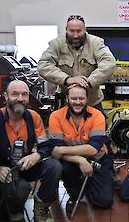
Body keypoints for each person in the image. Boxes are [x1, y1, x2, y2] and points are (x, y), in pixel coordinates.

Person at [0, 80, 62, 222]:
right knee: (22, 188)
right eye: (15, 94)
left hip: (27, 165)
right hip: (5, 170)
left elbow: (45, 146)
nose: (20, 99)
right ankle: (15, 212)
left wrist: (37, 155)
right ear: (5, 96)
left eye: (24, 94)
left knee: (54, 166)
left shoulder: (33, 117)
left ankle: (41, 208)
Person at [48, 83, 113, 212]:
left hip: (97, 160)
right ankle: (75, 194)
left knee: (104, 202)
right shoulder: (55, 116)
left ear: (87, 99)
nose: (78, 102)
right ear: (67, 98)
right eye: (74, 99)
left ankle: (94, 181)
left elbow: (93, 149)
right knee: (61, 167)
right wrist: (80, 160)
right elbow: (55, 152)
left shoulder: (97, 115)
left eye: (81, 99)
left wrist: (61, 150)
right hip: (71, 162)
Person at [37, 14, 116, 111]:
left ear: (85, 29)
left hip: (92, 102)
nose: (75, 35)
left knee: (98, 125)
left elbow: (109, 63)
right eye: (71, 31)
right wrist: (67, 80)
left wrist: (88, 83)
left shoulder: (96, 43)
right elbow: (43, 65)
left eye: (79, 31)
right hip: (66, 102)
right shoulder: (56, 44)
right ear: (66, 29)